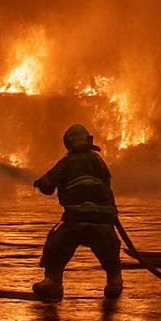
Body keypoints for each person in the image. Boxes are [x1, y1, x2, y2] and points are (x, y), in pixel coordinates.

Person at [30, 123, 123, 301]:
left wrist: (40, 183)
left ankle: (53, 282)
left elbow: (48, 185)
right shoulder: (99, 161)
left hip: (76, 219)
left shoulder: (68, 162)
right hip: (104, 219)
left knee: (57, 242)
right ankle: (114, 280)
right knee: (108, 248)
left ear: (69, 143)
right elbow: (106, 184)